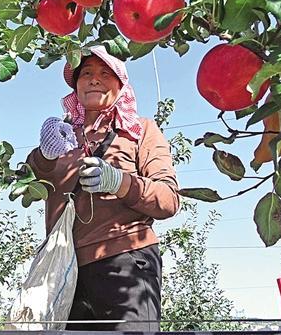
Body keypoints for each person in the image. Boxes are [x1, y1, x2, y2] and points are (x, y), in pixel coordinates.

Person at [26, 45, 181, 331]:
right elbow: (29, 187)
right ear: (76, 86)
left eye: (105, 74)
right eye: (86, 73)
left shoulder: (140, 131)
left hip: (126, 261)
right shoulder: (63, 136)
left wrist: (120, 182)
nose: (94, 79)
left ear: (121, 86)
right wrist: (43, 156)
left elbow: (168, 200)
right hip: (65, 271)